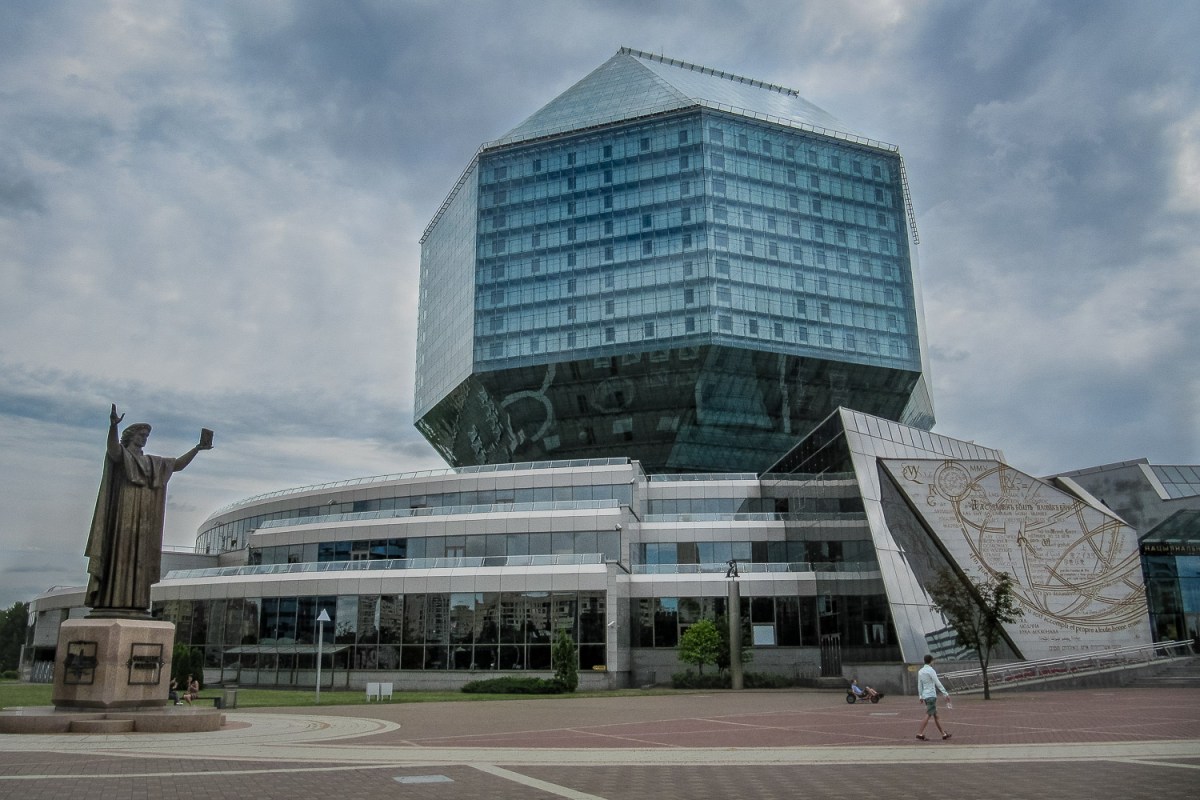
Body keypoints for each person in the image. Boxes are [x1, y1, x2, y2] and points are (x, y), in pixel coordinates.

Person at [84, 404, 212, 614]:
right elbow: (113, 450)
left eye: (146, 436)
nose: (144, 439)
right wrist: (113, 427)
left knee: (139, 556)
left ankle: (134, 601)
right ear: (131, 436)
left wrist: (197, 449)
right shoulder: (123, 456)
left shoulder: (152, 462)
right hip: (122, 512)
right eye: (141, 435)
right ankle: (112, 599)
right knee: (119, 551)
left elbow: (177, 464)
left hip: (143, 516)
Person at [916, 654, 950, 741]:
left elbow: (920, 684)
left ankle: (943, 733)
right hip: (931, 695)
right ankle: (920, 733)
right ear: (931, 661)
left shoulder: (920, 671)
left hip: (926, 696)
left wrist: (920, 695)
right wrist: (945, 693)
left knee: (935, 715)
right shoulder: (931, 670)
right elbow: (937, 682)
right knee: (928, 714)